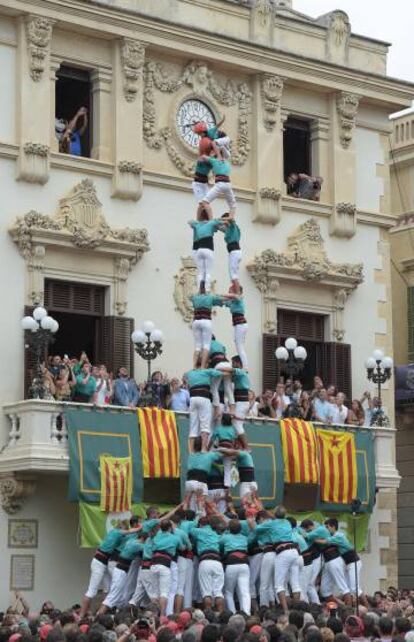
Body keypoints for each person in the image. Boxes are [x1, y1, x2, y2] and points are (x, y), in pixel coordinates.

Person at [324, 518, 368, 607]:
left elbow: (326, 541)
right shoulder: (335, 537)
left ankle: (368, 607)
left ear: (333, 527)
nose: (326, 529)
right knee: (349, 589)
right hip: (348, 565)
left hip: (354, 563)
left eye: (327, 527)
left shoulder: (338, 536)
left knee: (355, 588)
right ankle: (351, 607)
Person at [185, 366, 230, 452]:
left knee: (193, 427)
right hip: (203, 398)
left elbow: (186, 379)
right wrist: (232, 372)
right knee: (205, 426)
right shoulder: (207, 371)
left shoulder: (190, 373)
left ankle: (191, 451)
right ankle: (203, 449)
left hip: (193, 399)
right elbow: (222, 373)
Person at [149, 520, 184, 615]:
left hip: (153, 564)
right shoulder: (175, 538)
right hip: (165, 564)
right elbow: (182, 548)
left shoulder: (156, 537)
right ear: (169, 528)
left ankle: (153, 615)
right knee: (164, 593)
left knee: (155, 593)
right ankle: (162, 616)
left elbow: (152, 548)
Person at [191, 516, 225, 612]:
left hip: (205, 561)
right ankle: (221, 616)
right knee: (218, 592)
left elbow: (191, 529)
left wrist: (197, 517)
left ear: (200, 525)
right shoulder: (216, 534)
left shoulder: (198, 531)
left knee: (207, 592)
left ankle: (209, 615)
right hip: (217, 562)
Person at [184, 437, 223, 512]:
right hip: (200, 482)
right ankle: (200, 519)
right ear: (204, 445)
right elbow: (221, 455)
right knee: (201, 504)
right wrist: (215, 447)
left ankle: (183, 519)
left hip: (189, 482)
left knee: (188, 503)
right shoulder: (210, 455)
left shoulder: (191, 455)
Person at [220, 519, 251, 615]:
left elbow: (219, 545)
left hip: (231, 563)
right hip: (244, 564)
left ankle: (232, 614)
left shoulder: (225, 537)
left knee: (229, 592)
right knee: (245, 591)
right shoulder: (245, 538)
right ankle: (246, 613)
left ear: (229, 529)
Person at [190, 288, 225, 369]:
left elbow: (190, 298)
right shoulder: (210, 297)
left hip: (196, 321)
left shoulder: (195, 297)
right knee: (206, 345)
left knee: (197, 345)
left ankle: (194, 366)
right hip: (206, 321)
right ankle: (202, 366)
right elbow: (221, 300)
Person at [189, 212, 223, 293]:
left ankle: (199, 290)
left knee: (200, 272)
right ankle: (207, 290)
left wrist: (197, 221)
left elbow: (190, 222)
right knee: (208, 272)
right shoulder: (211, 223)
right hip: (208, 250)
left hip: (199, 251)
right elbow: (221, 222)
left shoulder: (197, 225)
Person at [199, 151, 237, 219]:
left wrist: (209, 156)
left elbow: (203, 157)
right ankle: (231, 217)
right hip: (228, 184)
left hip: (220, 184)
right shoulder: (226, 163)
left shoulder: (214, 161)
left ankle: (211, 220)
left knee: (205, 202)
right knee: (233, 205)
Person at [223, 291, 249, 369]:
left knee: (240, 347)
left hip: (241, 324)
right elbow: (224, 301)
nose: (230, 293)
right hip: (237, 325)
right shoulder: (232, 303)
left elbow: (234, 296)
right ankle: (242, 364)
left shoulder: (239, 299)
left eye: (231, 291)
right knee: (237, 344)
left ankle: (245, 367)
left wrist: (224, 295)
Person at [220, 214, 242, 294]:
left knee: (233, 275)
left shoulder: (233, 226)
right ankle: (236, 291)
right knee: (232, 274)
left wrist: (224, 219)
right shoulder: (229, 229)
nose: (223, 223)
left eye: (224, 221)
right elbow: (220, 228)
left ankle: (238, 293)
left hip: (234, 251)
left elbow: (232, 220)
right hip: (234, 252)